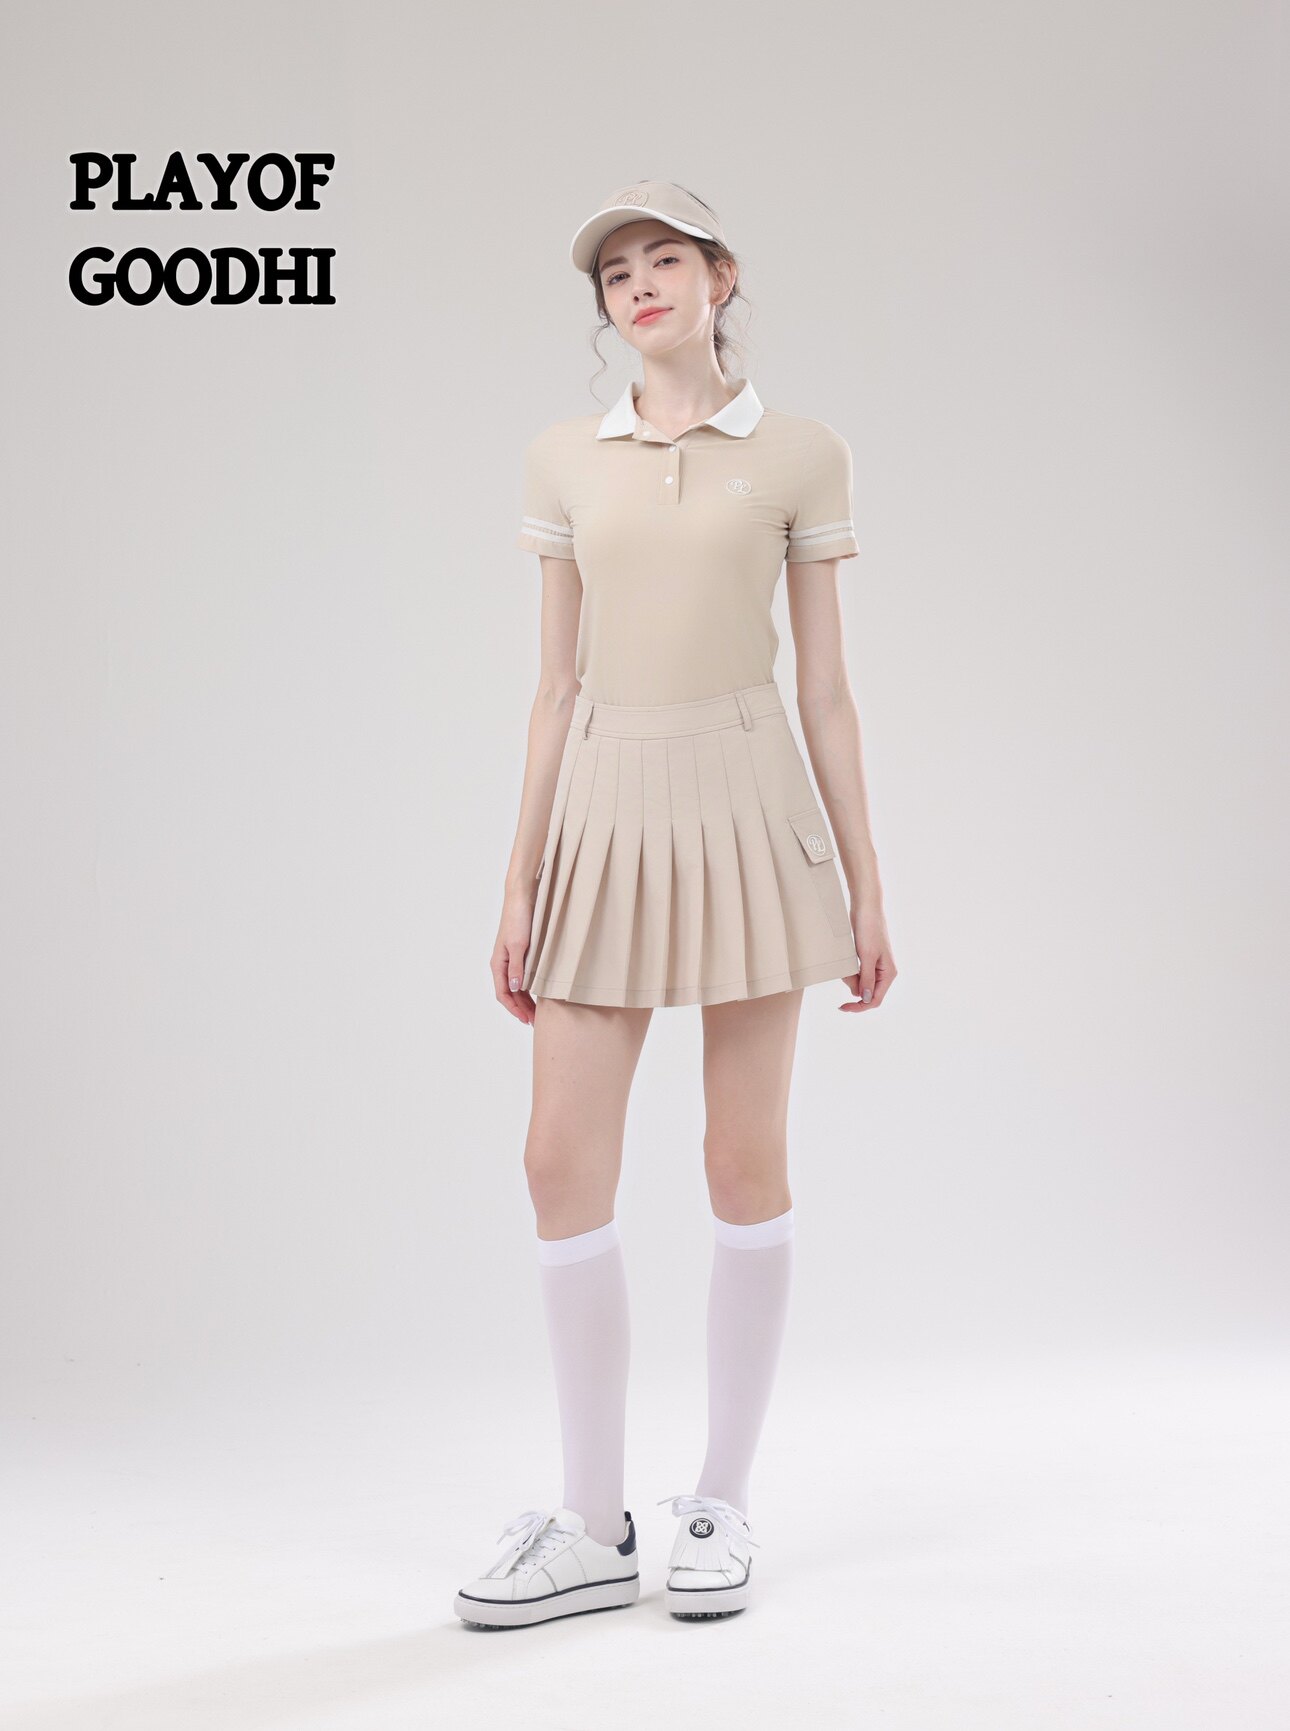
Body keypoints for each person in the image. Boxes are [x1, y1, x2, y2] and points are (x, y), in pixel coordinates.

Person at [454, 180, 896, 1630]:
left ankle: (721, 1498)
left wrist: (866, 882)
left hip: (750, 803)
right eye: (614, 273)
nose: (638, 285)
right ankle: (592, 1525)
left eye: (664, 259)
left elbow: (825, 690)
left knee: (738, 1156)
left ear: (719, 276)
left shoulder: (802, 453)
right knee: (556, 1161)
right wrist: (518, 876)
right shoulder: (562, 458)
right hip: (602, 807)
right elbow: (550, 687)